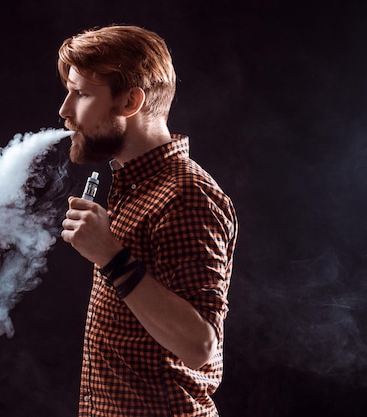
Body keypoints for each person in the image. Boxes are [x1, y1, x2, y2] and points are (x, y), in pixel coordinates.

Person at [58, 25, 238, 416]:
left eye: (83, 94)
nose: (65, 110)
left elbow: (199, 347)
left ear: (129, 102)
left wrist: (110, 254)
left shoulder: (187, 196)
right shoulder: (132, 186)